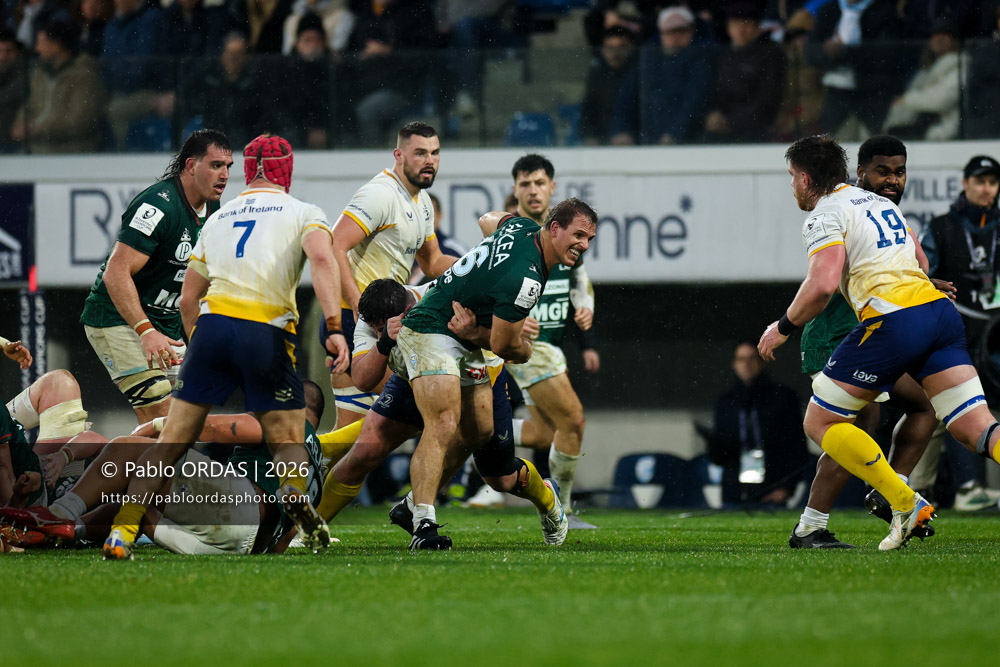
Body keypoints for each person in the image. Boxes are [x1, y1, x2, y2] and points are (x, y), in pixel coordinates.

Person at [100, 134, 350, 561]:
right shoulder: (303, 211)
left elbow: (187, 300)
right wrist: (333, 324)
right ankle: (292, 492)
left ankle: (121, 533)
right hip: (265, 331)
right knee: (288, 437)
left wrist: (201, 348)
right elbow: (324, 260)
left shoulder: (219, 217)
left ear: (247, 170)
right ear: (285, 170)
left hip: (213, 329)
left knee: (172, 442)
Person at [759, 134, 1000, 551]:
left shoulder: (824, 214)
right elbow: (921, 264)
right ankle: (838, 516)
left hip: (887, 325)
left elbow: (822, 284)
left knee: (823, 423)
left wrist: (781, 326)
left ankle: (901, 501)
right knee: (974, 426)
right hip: (938, 316)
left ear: (803, 178)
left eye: (791, 178)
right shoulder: (883, 205)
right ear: (855, 172)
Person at [394, 197, 598, 549]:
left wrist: (480, 282)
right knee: (442, 421)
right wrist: (527, 349)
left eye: (589, 239)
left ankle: (548, 501)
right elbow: (506, 346)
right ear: (554, 229)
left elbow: (489, 220)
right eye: (578, 234)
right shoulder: (528, 278)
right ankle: (423, 522)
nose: (584, 245)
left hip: (469, 344)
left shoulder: (520, 226)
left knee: (488, 449)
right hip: (430, 327)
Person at [790, 135, 945, 549]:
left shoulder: (881, 209)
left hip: (877, 335)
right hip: (837, 336)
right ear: (859, 173)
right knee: (855, 427)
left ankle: (889, 491)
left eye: (899, 172)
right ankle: (814, 525)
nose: (893, 180)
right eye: (883, 171)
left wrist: (922, 284)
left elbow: (916, 267)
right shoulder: (846, 208)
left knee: (922, 407)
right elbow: (825, 281)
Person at [1, 381, 327, 555]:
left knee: (129, 449)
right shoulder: (316, 471)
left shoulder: (287, 419)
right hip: (244, 544)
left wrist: (155, 425)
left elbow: (213, 428)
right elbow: (284, 543)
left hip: (241, 505)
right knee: (132, 506)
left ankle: (59, 512)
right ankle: (68, 532)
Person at [81, 129, 232, 425]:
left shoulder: (213, 208)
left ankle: (108, 467)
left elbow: (202, 282)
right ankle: (94, 467)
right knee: (163, 420)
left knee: (185, 419)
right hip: (118, 321)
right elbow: (116, 272)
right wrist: (145, 330)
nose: (225, 174)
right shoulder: (158, 205)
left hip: (165, 326)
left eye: (228, 167)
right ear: (191, 166)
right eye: (216, 165)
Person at [327, 122, 455, 428]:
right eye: (420, 153)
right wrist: (357, 302)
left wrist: (477, 267)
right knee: (418, 414)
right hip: (359, 320)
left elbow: (433, 261)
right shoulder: (380, 195)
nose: (429, 161)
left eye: (435, 153)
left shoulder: (422, 201)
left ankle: (301, 468)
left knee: (363, 434)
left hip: (389, 321)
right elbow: (335, 244)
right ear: (398, 155)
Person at [499, 154, 598, 514]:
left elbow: (581, 280)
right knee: (573, 421)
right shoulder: (508, 231)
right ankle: (563, 508)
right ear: (515, 190)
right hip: (526, 345)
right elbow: (487, 279)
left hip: (550, 343)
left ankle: (474, 432)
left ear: (552, 187)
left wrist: (583, 305)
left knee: (544, 433)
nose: (533, 190)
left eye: (539, 183)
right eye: (525, 184)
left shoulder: (566, 231)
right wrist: (509, 315)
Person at [918, 154, 1000, 510]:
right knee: (950, 408)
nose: (987, 189)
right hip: (957, 335)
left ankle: (970, 489)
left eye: (993, 182)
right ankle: (945, 490)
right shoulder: (941, 226)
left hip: (998, 336)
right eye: (980, 181)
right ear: (965, 184)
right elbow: (921, 278)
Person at [705, 342, 808, 507]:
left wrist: (787, 488)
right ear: (734, 364)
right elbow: (721, 454)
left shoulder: (783, 397)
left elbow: (797, 446)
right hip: (734, 491)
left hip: (773, 489)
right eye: (741, 359)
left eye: (752, 358)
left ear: (762, 361)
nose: (746, 364)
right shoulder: (725, 402)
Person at [803, 0, 908, 139]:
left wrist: (844, 52)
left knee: (873, 142)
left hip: (872, 92)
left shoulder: (884, 11)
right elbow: (810, 52)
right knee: (834, 142)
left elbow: (886, 54)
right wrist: (826, 52)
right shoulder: (830, 10)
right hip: (836, 92)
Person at [610, 6, 712, 146]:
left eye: (681, 31)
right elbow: (626, 98)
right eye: (669, 32)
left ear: (691, 31)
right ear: (661, 33)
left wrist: (674, 133)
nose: (675, 37)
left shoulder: (702, 59)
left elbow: (693, 101)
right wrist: (620, 130)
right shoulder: (647, 60)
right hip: (649, 141)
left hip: (685, 143)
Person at [10, 18, 105, 153]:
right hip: (35, 149)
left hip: (70, 152)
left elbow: (79, 123)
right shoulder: (39, 75)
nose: (37, 48)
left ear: (56, 45)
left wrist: (37, 129)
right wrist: (19, 126)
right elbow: (28, 107)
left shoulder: (85, 76)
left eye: (41, 42)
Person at [702, 2, 786, 143]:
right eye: (736, 24)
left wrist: (731, 121)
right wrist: (712, 116)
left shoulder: (771, 54)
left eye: (746, 24)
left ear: (757, 28)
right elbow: (711, 92)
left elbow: (768, 97)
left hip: (755, 131)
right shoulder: (722, 56)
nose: (741, 30)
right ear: (728, 29)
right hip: (720, 129)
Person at [881, 19, 963, 141]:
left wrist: (907, 99)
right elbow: (901, 105)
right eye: (935, 34)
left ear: (955, 40)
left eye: (945, 34)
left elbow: (943, 99)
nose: (939, 38)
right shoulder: (924, 72)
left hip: (947, 134)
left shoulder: (963, 64)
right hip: (916, 132)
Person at [579, 26, 637, 145]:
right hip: (602, 142)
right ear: (602, 50)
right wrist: (590, 136)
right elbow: (588, 110)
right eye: (610, 48)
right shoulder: (597, 76)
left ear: (631, 48)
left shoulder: (639, 75)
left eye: (621, 47)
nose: (615, 53)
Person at [0, 28, 27, 152]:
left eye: (8, 51)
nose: (3, 56)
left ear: (18, 52)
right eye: (0, 51)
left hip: (14, 145)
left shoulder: (27, 76)